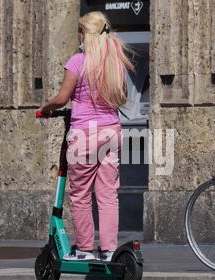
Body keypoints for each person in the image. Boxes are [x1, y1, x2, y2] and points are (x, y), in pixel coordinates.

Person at [36, 11, 134, 261]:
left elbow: (62, 98)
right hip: (111, 132)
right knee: (108, 194)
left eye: (79, 31)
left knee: (80, 194)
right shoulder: (115, 62)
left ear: (83, 34)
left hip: (85, 134)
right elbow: (121, 97)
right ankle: (110, 250)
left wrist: (45, 108)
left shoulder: (77, 61)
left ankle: (84, 250)